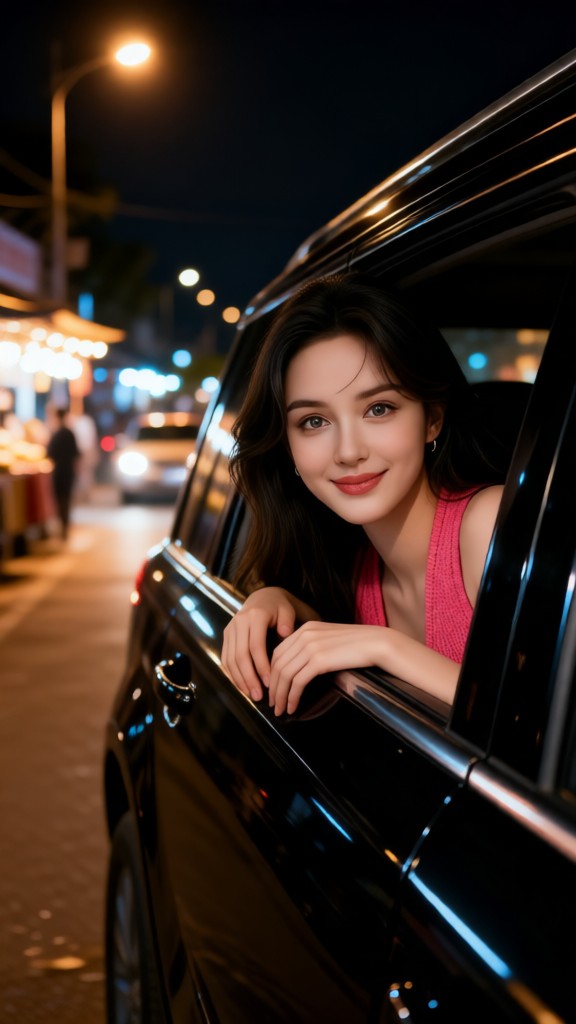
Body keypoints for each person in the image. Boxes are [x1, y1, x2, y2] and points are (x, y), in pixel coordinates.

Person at [221, 273, 509, 716]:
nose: (349, 452)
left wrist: (386, 648)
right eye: (314, 421)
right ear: (288, 446)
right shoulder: (354, 568)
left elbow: (542, 732)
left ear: (431, 418)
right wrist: (272, 599)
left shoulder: (486, 525)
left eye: (379, 409)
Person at [47, 407, 80, 540]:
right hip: (68, 471)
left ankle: (63, 526)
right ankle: (64, 526)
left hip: (59, 472)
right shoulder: (69, 433)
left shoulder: (57, 434)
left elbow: (49, 453)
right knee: (66, 499)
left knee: (60, 499)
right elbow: (76, 454)